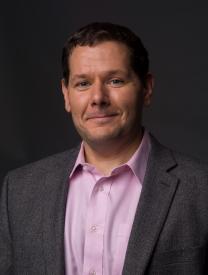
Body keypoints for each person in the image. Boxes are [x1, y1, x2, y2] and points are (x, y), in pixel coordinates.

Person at [0, 22, 208, 275]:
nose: (98, 97)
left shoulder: (200, 190)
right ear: (66, 94)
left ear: (147, 89)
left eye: (115, 80)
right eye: (83, 84)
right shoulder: (19, 191)